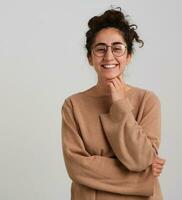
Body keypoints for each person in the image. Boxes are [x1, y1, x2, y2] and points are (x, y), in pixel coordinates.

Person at [61, 7, 166, 200]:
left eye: (117, 48)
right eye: (100, 49)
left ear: (128, 56)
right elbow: (77, 168)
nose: (109, 56)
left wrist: (119, 105)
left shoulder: (147, 101)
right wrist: (143, 176)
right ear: (90, 58)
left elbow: (141, 158)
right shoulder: (73, 105)